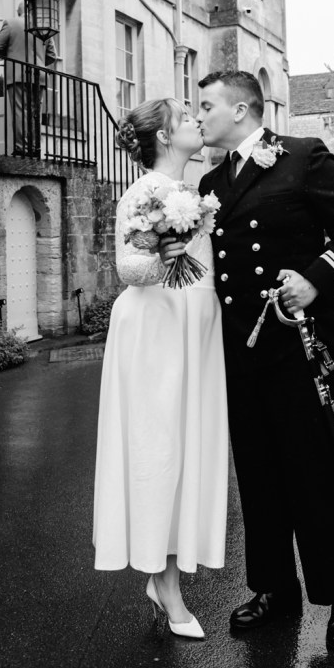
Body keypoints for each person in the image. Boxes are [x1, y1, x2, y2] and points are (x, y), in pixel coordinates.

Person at [195, 70, 334, 652]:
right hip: (241, 351)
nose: (199, 117)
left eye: (207, 106)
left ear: (243, 109)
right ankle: (275, 588)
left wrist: (318, 281)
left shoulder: (302, 157)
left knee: (314, 472)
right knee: (259, 473)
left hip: (301, 346)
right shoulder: (209, 181)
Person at [93, 98, 228, 640]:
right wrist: (169, 250)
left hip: (192, 329)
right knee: (159, 449)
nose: (198, 120)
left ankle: (168, 571)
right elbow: (129, 268)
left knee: (186, 447)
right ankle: (163, 580)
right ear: (167, 136)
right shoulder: (143, 193)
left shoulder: (194, 195)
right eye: (187, 117)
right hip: (154, 334)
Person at [0, 3, 57, 157]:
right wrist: (38, 62)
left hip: (17, 74)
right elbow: (52, 55)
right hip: (39, 76)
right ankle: (35, 148)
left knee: (20, 111)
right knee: (35, 113)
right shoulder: (44, 28)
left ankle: (21, 148)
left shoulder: (11, 22)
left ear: (19, 11)